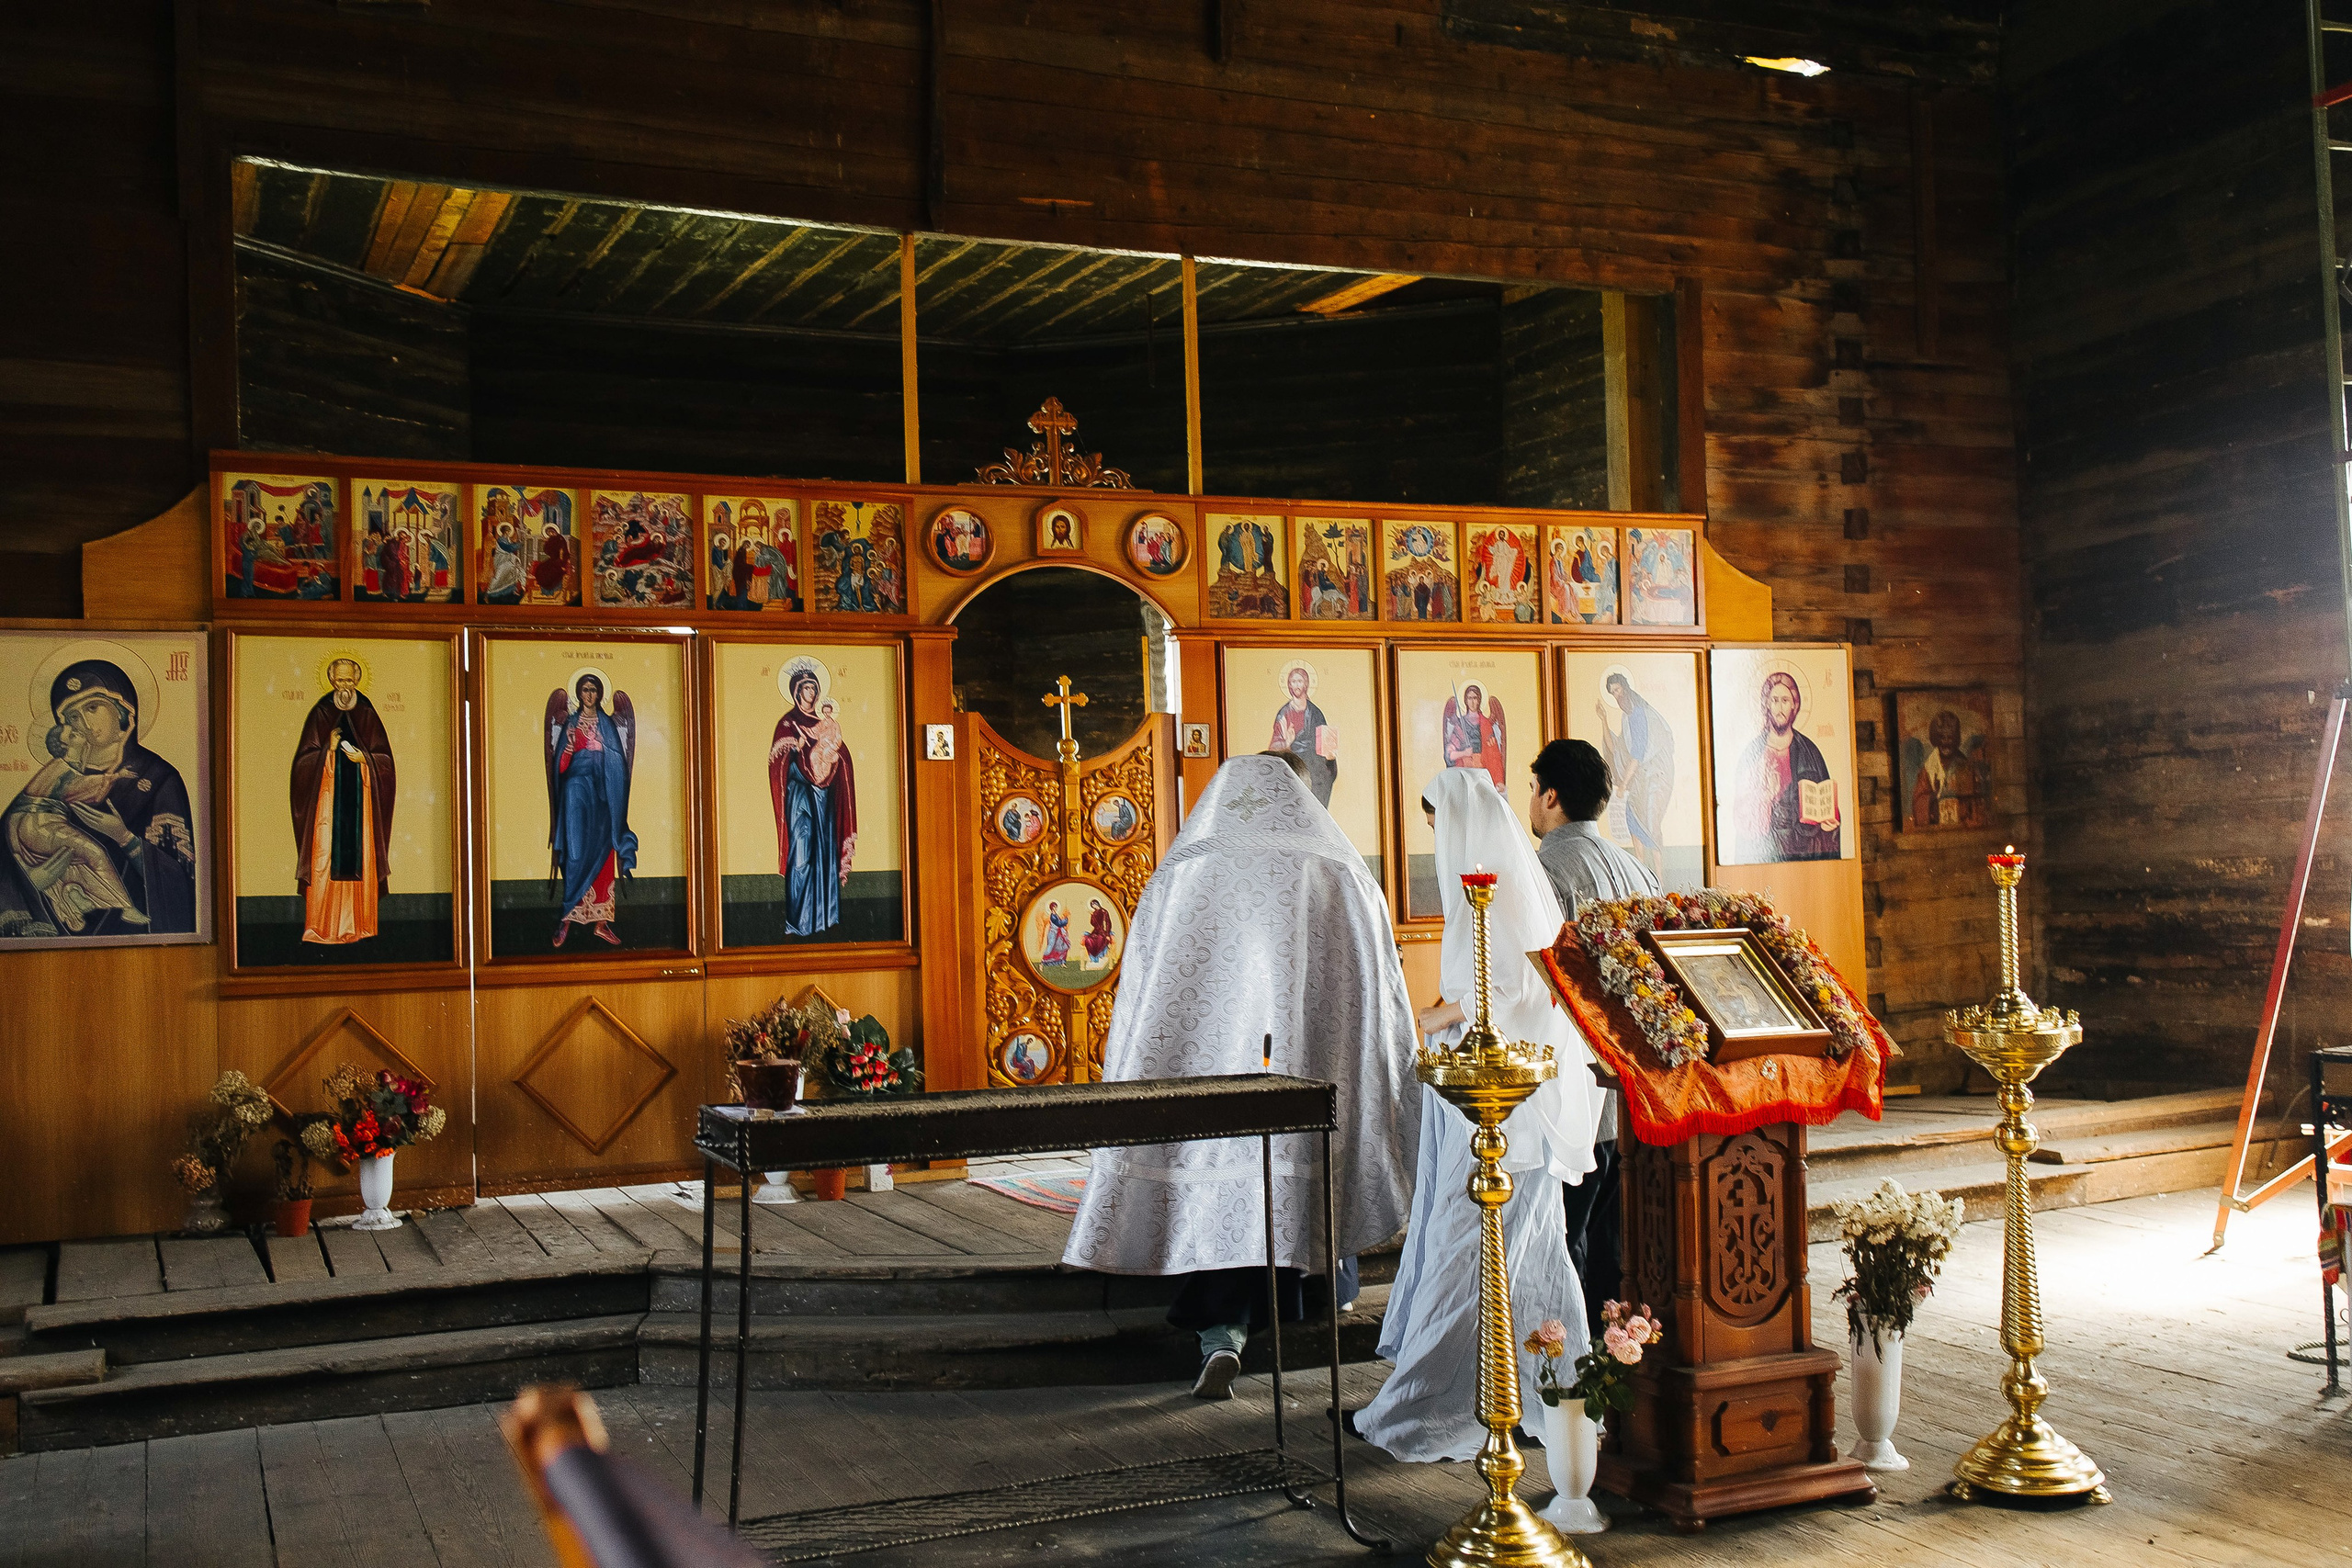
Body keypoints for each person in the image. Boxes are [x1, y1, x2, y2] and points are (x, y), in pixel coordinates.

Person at [1063, 751, 1420, 1403]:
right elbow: (1376, 992)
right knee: (1299, 1172)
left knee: (1224, 1183)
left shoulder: (1187, 868)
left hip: (1215, 1076)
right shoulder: (1338, 867)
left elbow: (1148, 990)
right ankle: (1316, 1287)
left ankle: (1222, 1331)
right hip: (1311, 1077)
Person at [1352, 766, 1600, 1461]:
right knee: (1530, 1256)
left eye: (1436, 821)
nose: (1433, 834)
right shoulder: (1486, 888)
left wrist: (1432, 1015)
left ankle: (1423, 1406)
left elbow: (1517, 983)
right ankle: (1563, 1396)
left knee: (1472, 1250)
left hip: (1505, 1108)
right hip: (1483, 1099)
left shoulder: (1504, 888)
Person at [1529, 738, 1659, 1325]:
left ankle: (1573, 1389)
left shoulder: (1546, 869)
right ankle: (1615, 1380)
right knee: (1615, 1253)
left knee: (1567, 1244)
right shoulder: (1637, 866)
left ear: (1551, 794)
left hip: (1577, 1089)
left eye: (1533, 790)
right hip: (1630, 1086)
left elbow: (1537, 979)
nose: (1531, 802)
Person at [0, 659, 198, 939]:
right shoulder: (56, 776)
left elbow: (182, 878)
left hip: (137, 941)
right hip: (52, 937)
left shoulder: (158, 778)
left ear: (122, 710)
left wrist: (124, 838)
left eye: (92, 708)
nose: (82, 722)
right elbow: (7, 854)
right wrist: (32, 881)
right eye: (71, 717)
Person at [290, 658, 396, 945]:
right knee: (324, 861)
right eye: (340, 681)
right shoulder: (321, 712)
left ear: (357, 681)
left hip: (361, 807)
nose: (345, 687)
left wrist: (366, 761)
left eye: (350, 681)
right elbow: (302, 763)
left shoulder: (367, 713)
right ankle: (322, 928)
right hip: (326, 806)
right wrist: (329, 751)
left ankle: (359, 926)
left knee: (361, 861)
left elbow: (385, 760)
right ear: (332, 681)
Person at [545, 672, 635, 948]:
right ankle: (566, 920)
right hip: (576, 793)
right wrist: (570, 747)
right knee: (575, 853)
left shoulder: (607, 723)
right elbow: (560, 768)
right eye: (584, 690)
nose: (589, 695)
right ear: (579, 693)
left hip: (603, 792)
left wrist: (607, 768)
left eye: (593, 690)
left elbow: (618, 762)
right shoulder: (571, 723)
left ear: (599, 693)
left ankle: (601, 923)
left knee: (605, 851)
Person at [768, 660, 857, 936]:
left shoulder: (826, 724)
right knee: (802, 856)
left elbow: (842, 756)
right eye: (805, 688)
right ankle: (800, 922)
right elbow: (778, 763)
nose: (810, 692)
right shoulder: (787, 723)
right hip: (800, 800)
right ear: (796, 692)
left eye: (813, 688)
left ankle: (825, 919)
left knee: (826, 855)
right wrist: (798, 749)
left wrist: (831, 761)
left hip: (824, 799)